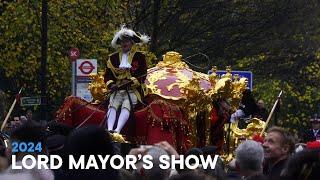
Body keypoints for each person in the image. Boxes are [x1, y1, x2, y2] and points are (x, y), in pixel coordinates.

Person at [104, 25, 150, 133]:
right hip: (117, 90)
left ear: (132, 42)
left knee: (127, 104)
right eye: (122, 41)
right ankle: (110, 130)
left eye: (127, 41)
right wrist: (112, 85)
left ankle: (117, 131)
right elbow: (108, 76)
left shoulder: (139, 56)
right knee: (113, 104)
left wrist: (129, 82)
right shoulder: (113, 58)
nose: (124, 43)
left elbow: (142, 74)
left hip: (133, 90)